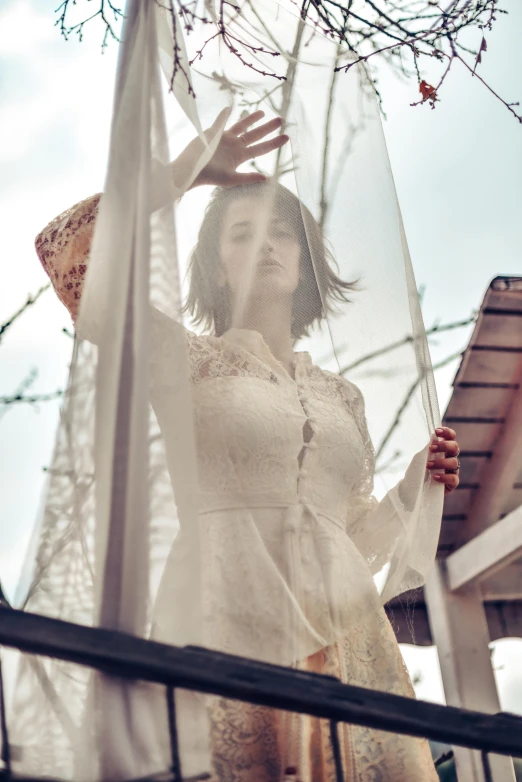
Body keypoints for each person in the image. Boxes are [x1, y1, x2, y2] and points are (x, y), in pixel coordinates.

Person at [34, 110, 460, 781]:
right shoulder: (181, 359)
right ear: (216, 266)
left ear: (306, 262)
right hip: (222, 625)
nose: (266, 243)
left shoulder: (342, 397)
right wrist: (188, 172)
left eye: (283, 233)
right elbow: (73, 256)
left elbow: (354, 536)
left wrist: (415, 484)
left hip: (349, 645)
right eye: (243, 233)